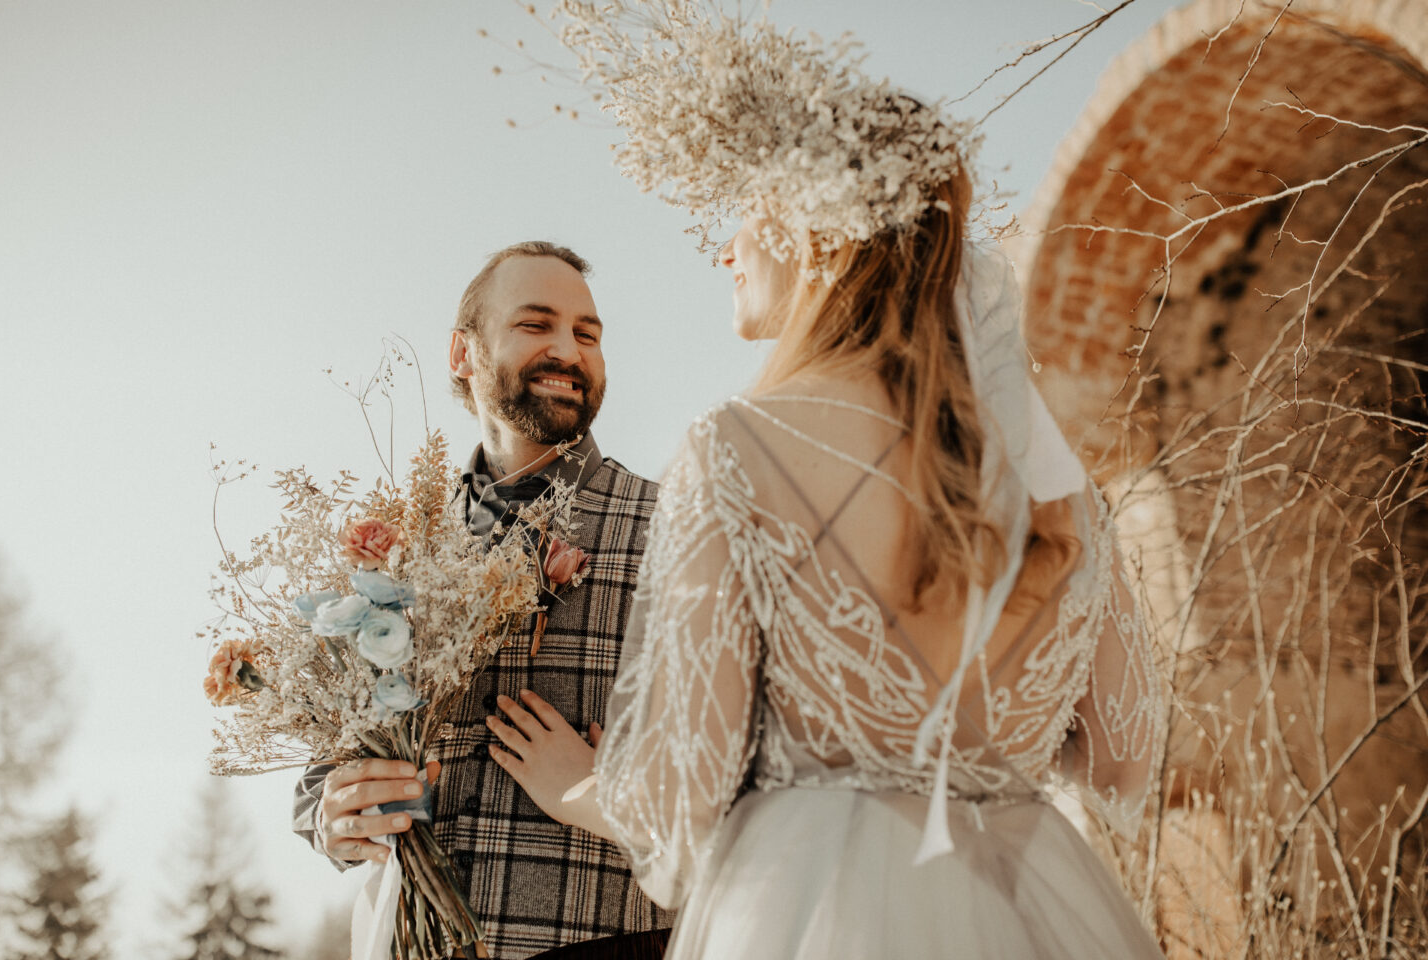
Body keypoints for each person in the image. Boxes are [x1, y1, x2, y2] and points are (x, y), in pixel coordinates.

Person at [484, 8, 1169, 958]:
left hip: (805, 914)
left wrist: (572, 784)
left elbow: (677, 801)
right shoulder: (1054, 484)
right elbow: (1126, 757)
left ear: (812, 229)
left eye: (743, 211)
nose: (725, 247)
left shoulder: (736, 451)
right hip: (1027, 904)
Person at [293, 241, 672, 960]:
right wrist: (331, 815)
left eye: (587, 334)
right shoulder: (391, 548)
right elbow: (327, 764)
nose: (569, 348)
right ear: (463, 355)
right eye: (537, 325)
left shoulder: (678, 528)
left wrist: (602, 789)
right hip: (410, 943)